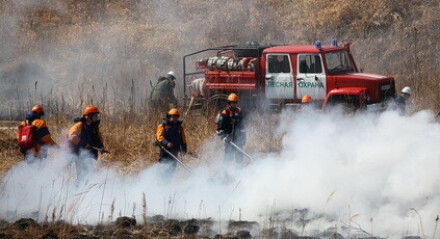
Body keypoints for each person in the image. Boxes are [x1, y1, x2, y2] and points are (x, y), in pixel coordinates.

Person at [68, 105, 108, 178]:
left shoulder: (94, 126)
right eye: (95, 116)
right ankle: (77, 189)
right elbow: (72, 136)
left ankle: (84, 188)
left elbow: (97, 138)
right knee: (82, 176)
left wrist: (101, 147)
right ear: (89, 116)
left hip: (90, 155)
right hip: (80, 155)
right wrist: (84, 144)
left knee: (89, 175)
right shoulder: (80, 125)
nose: (97, 118)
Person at [155, 108, 187, 176]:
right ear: (169, 117)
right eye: (173, 117)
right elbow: (159, 137)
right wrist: (167, 143)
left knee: (172, 168)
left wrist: (184, 148)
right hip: (166, 151)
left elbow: (183, 139)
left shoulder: (179, 128)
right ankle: (158, 182)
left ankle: (168, 183)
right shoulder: (163, 126)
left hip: (175, 151)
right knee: (163, 167)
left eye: (176, 117)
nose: (175, 119)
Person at [216, 93, 246, 164]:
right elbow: (219, 128)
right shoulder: (224, 113)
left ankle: (239, 169)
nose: (234, 104)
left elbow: (242, 126)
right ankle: (227, 171)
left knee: (239, 152)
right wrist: (223, 137)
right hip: (228, 137)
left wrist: (243, 137)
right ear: (229, 103)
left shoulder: (239, 111)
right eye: (233, 103)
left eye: (235, 103)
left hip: (237, 136)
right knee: (229, 154)